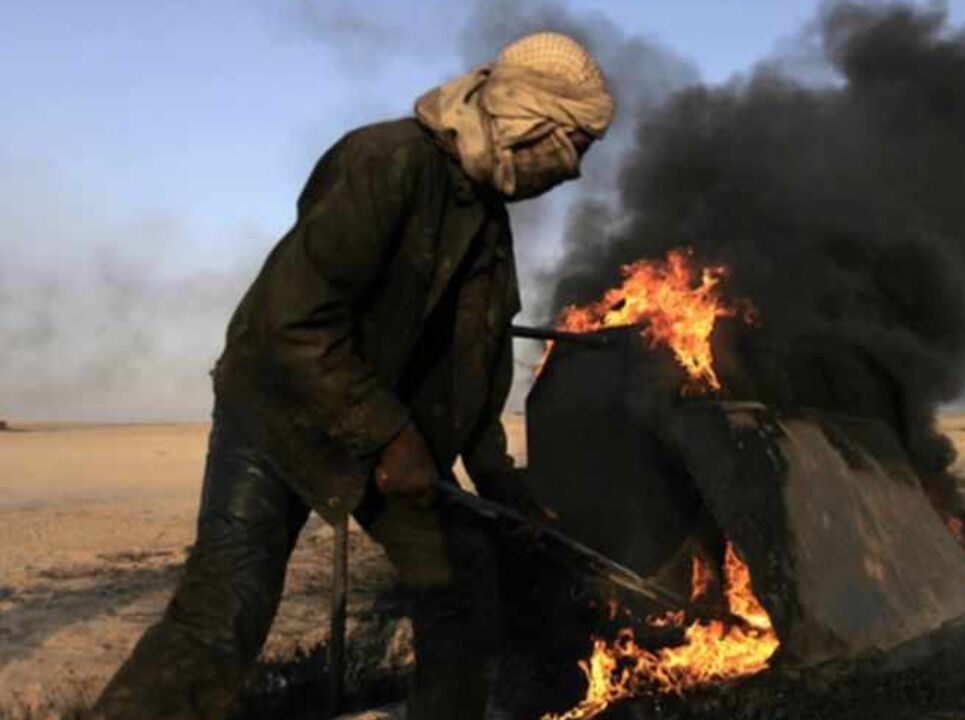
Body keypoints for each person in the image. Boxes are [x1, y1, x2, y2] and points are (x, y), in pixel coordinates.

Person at [90, 31, 614, 720]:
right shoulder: (384, 163)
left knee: (461, 582)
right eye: (570, 147)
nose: (571, 172)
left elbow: (471, 381)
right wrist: (393, 438)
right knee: (224, 615)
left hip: (376, 428)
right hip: (279, 407)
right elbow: (289, 326)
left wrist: (503, 489)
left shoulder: (486, 225)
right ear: (525, 125)